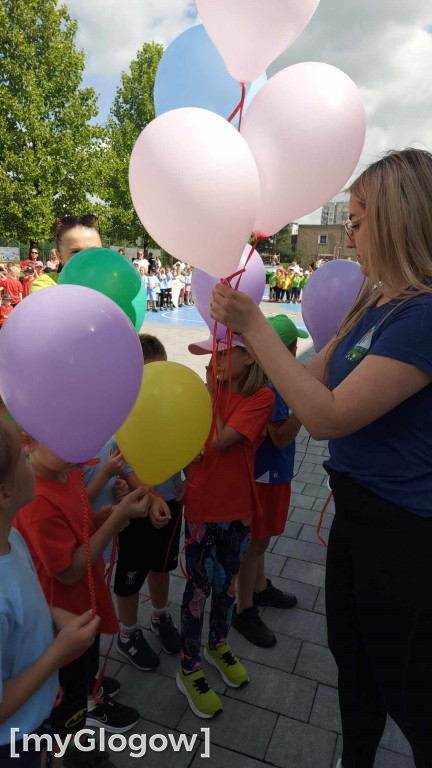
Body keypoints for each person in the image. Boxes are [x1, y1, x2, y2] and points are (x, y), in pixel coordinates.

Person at [210, 148, 432, 768]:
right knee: (352, 658)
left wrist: (256, 329)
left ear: (397, 220)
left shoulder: (423, 314)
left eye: (359, 220)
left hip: (405, 532)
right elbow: (311, 375)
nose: (351, 234)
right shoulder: (378, 302)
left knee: (409, 685)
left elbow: (328, 414)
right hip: (358, 520)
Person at [14, 434, 149, 758]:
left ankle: (90, 689)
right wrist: (115, 520)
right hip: (62, 622)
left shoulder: (68, 471)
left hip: (81, 607)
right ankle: (77, 751)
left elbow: (77, 524)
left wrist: (99, 520)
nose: (76, 448)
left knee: (87, 659)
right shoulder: (36, 501)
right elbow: (68, 571)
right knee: (68, 708)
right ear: (28, 443)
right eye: (61, 438)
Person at [176, 334, 275, 718]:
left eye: (221, 353)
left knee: (227, 584)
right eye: (210, 355)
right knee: (198, 588)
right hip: (202, 506)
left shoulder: (261, 397)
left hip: (237, 509)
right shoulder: (209, 390)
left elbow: (219, 439)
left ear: (249, 356)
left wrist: (208, 394)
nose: (213, 362)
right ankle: (189, 666)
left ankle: (218, 643)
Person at [0, 419, 100, 768]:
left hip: (37, 720)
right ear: (4, 493)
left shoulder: (10, 540)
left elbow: (28, 594)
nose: (29, 463)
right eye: (20, 462)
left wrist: (54, 615)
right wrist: (58, 652)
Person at [232, 316, 308, 647]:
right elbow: (278, 437)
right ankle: (242, 607)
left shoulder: (270, 378)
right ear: (290, 349)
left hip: (269, 473)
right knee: (256, 541)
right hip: (265, 475)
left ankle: (259, 589)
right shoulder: (276, 385)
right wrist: (306, 408)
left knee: (260, 539)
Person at [115, 334, 184, 670]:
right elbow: (125, 463)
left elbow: (181, 447)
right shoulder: (121, 411)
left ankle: (159, 615)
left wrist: (184, 481)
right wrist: (151, 494)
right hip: (139, 506)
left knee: (162, 565)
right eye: (147, 375)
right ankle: (126, 634)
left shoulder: (169, 403)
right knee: (130, 574)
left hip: (170, 502)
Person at [30, 215, 101, 293]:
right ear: (59, 256)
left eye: (93, 250)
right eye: (76, 252)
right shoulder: (44, 286)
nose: (86, 258)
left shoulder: (112, 280)